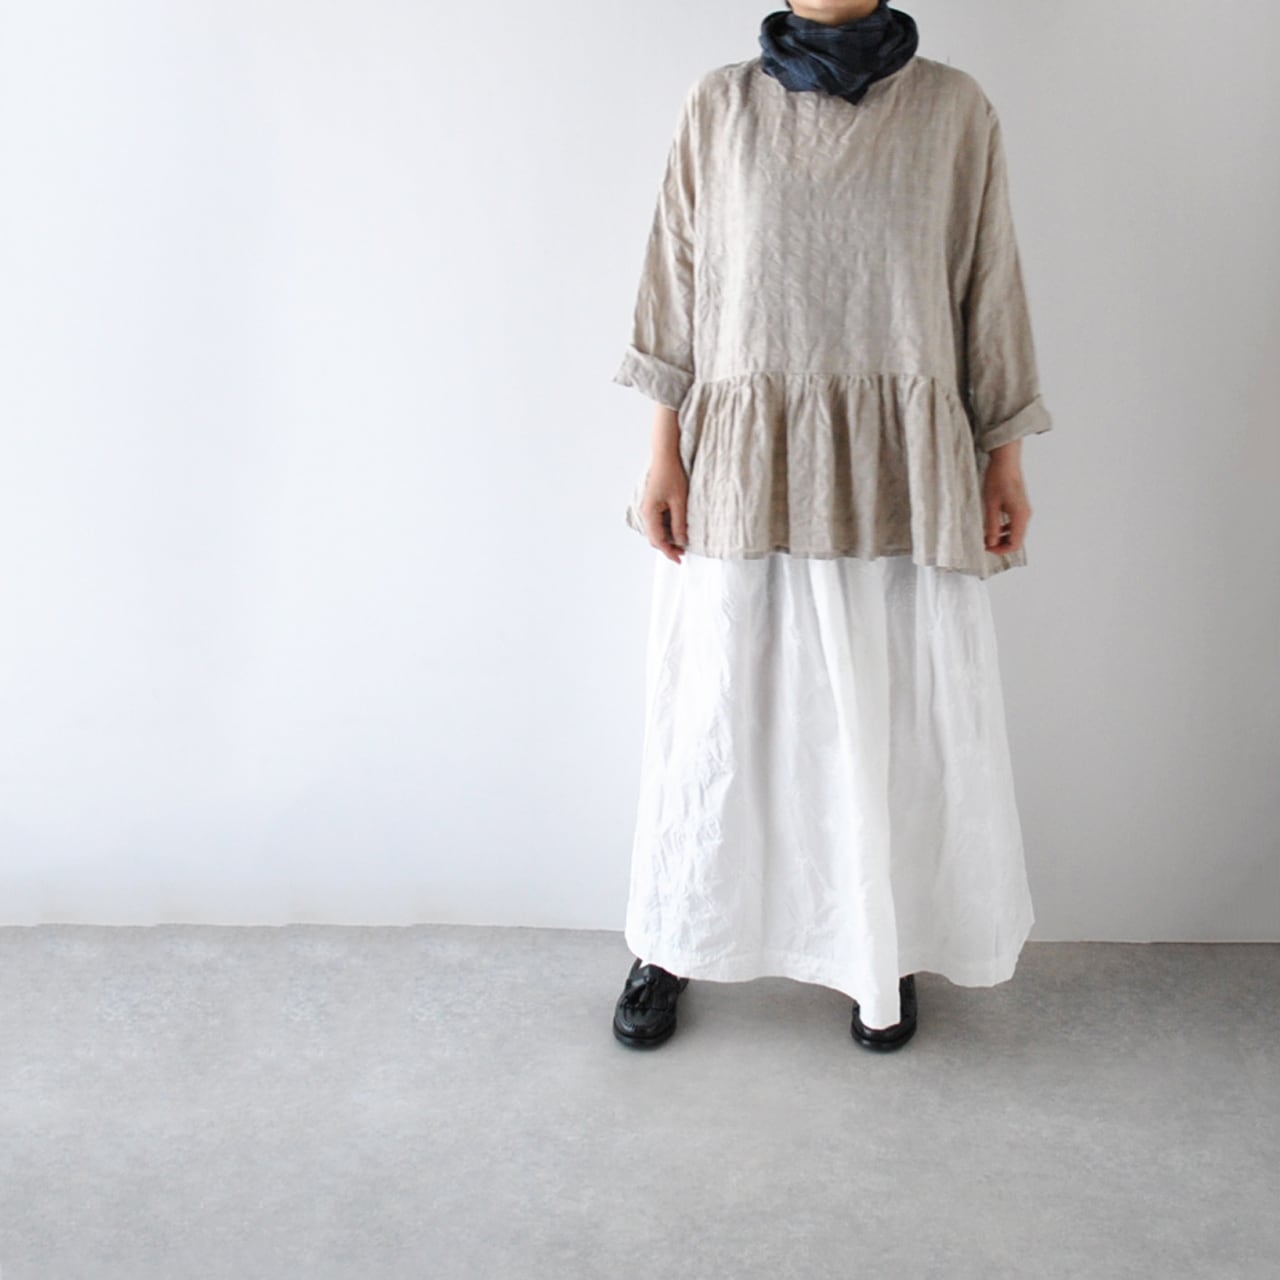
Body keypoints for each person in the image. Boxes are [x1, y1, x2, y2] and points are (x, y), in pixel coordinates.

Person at [610, 0, 1053, 1052]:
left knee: (884, 710)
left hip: (900, 466)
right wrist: (663, 450)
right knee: (718, 710)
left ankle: (876, 941)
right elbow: (676, 287)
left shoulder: (953, 110)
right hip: (744, 458)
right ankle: (676, 935)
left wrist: (1005, 455)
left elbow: (987, 286)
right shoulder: (718, 107)